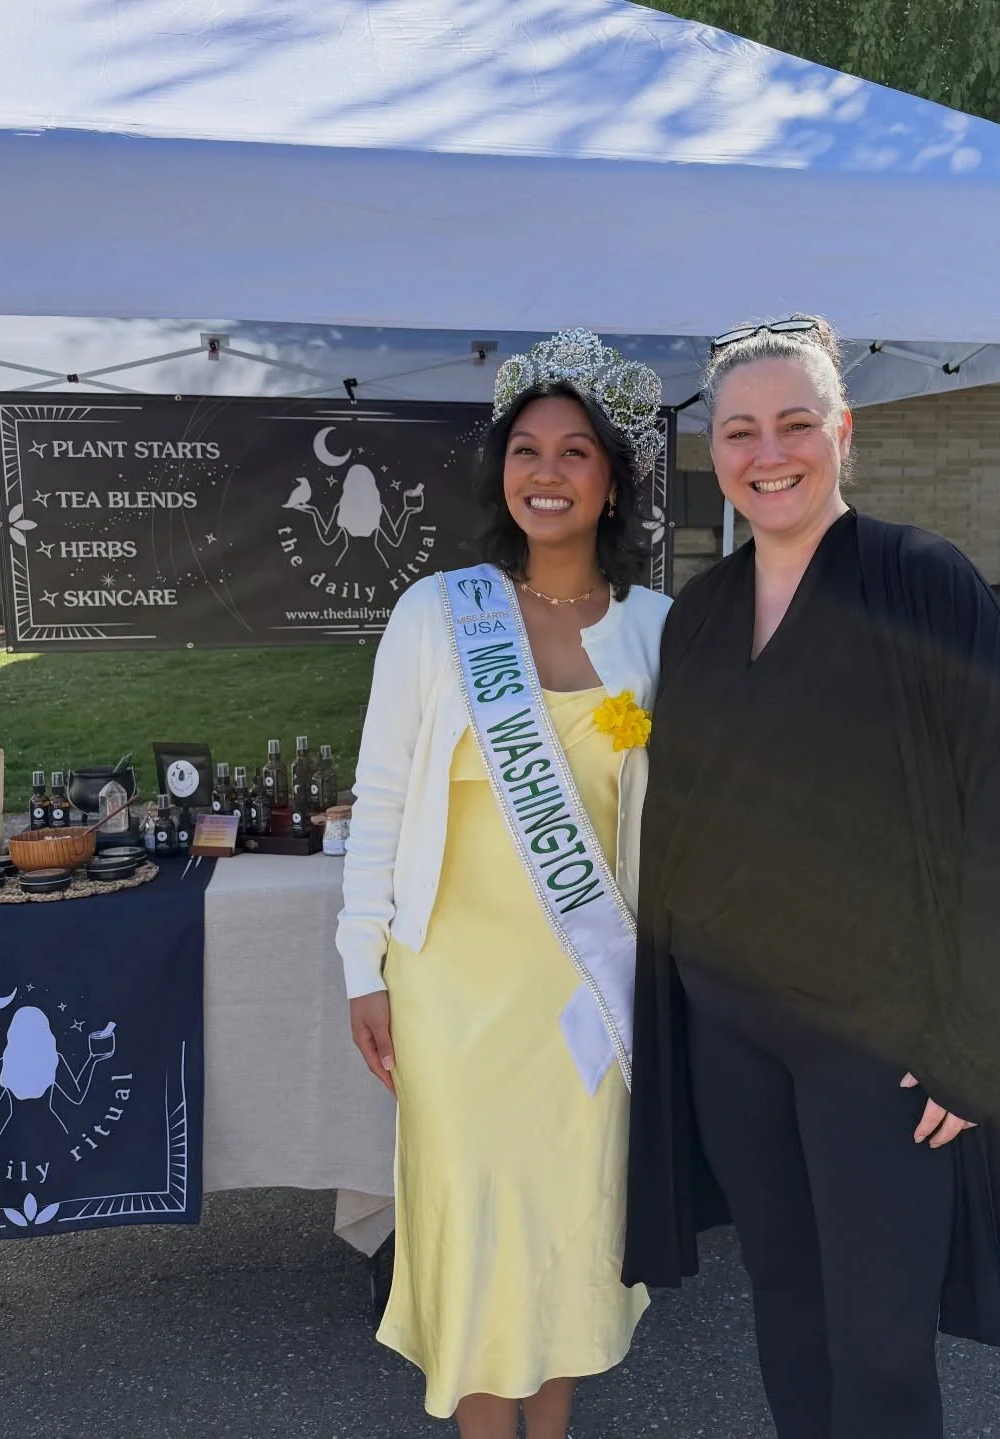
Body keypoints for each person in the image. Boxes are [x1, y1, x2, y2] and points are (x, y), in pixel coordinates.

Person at [622, 316, 1000, 1439]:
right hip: (735, 1038)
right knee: (786, 1303)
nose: (769, 452)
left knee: (879, 1339)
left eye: (795, 422)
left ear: (843, 432)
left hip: (885, 1049)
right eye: (740, 430)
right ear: (713, 451)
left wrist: (979, 1043)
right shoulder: (705, 613)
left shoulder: (924, 583)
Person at [337, 329, 670, 1439]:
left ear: (613, 476)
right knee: (479, 1226)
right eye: (526, 449)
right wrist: (362, 963)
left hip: (587, 993)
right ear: (501, 472)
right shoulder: (438, 614)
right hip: (453, 992)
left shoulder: (658, 631)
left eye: (575, 451)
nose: (547, 471)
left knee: (569, 1222)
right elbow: (380, 795)